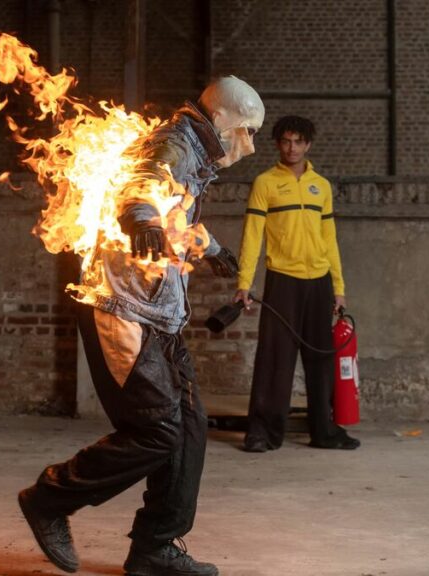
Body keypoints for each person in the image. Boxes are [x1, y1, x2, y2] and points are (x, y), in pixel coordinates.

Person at [18, 76, 264, 576]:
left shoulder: (194, 154)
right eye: (249, 130)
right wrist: (139, 215)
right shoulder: (173, 143)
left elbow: (173, 211)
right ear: (221, 120)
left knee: (189, 431)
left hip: (160, 315)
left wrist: (213, 250)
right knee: (157, 431)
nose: (251, 143)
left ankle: (156, 548)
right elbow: (142, 184)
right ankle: (49, 498)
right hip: (121, 310)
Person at [234, 115, 360, 453]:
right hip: (283, 282)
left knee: (320, 360)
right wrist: (244, 282)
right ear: (278, 144)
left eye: (298, 142)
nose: (292, 148)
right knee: (275, 358)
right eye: (286, 141)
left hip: (319, 282)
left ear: (308, 144)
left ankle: (324, 431)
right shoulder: (265, 184)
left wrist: (338, 288)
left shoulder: (322, 186)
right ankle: (262, 433)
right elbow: (252, 236)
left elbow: (330, 239)